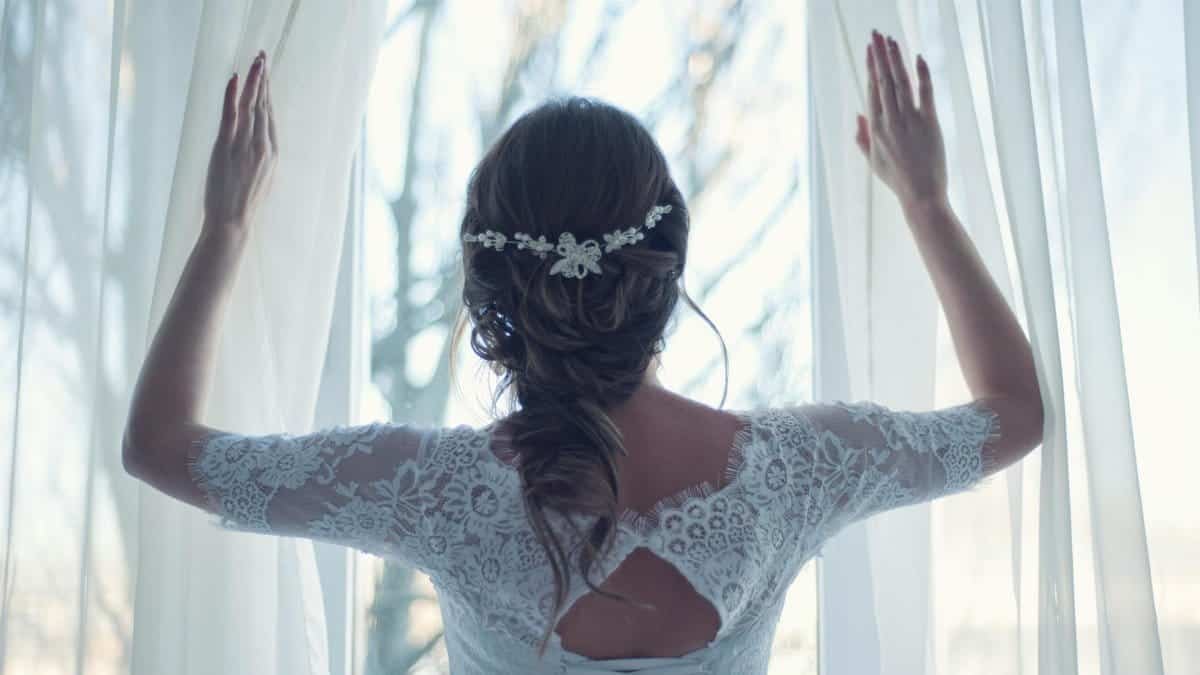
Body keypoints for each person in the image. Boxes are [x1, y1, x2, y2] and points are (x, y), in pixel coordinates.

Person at [123, 30, 1043, 675]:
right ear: (665, 265)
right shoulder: (792, 471)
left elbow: (159, 445)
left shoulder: (430, 489)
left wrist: (224, 232)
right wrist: (927, 203)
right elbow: (1013, 413)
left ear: (493, 282)